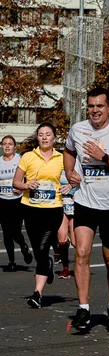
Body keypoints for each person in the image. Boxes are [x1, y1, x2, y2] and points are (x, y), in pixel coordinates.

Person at [64, 87, 109, 333]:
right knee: (82, 252)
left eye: (100, 106)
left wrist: (104, 157)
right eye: (91, 106)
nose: (95, 110)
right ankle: (83, 309)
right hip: (85, 201)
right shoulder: (78, 129)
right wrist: (68, 171)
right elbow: (68, 150)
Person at [13, 123, 71, 308]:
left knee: (44, 247)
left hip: (53, 210)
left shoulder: (62, 158)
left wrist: (71, 186)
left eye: (48, 134)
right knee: (39, 253)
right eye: (41, 134)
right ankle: (46, 264)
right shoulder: (28, 157)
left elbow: (77, 178)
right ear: (37, 137)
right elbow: (16, 182)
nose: (44, 137)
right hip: (30, 209)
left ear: (54, 137)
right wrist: (26, 185)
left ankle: (37, 294)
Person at [0, 135, 33, 271]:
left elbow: (29, 176)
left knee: (15, 231)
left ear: (15, 146)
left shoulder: (20, 160)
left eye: (10, 144)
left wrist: (21, 185)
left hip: (17, 200)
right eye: (5, 144)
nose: (7, 146)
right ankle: (11, 261)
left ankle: (23, 246)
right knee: (6, 232)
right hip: (2, 200)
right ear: (1, 146)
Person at [56, 170, 77, 279]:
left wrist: (72, 187)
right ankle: (65, 269)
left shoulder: (78, 164)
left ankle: (80, 267)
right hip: (62, 204)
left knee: (75, 242)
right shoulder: (57, 165)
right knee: (62, 238)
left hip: (76, 205)